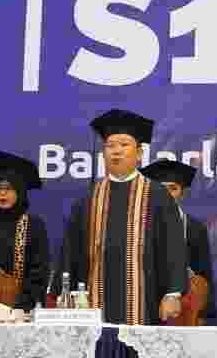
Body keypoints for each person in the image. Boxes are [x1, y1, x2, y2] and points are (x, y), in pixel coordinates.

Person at [61, 109, 186, 324]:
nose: (116, 151)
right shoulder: (89, 198)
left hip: (146, 300)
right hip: (92, 302)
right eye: (110, 146)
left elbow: (173, 246)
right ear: (103, 154)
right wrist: (65, 293)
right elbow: (71, 250)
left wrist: (173, 293)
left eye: (124, 144)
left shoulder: (157, 195)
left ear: (139, 153)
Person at [140, 158, 215, 323]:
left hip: (184, 311)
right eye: (161, 188)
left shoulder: (195, 228)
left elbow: (203, 275)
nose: (167, 194)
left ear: (182, 192)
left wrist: (203, 314)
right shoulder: (137, 226)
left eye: (173, 188)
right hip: (144, 306)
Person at [0, 152, 50, 312]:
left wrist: (21, 307)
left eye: (9, 188)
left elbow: (39, 273)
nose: (2, 193)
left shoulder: (34, 225)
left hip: (21, 310)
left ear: (20, 192)